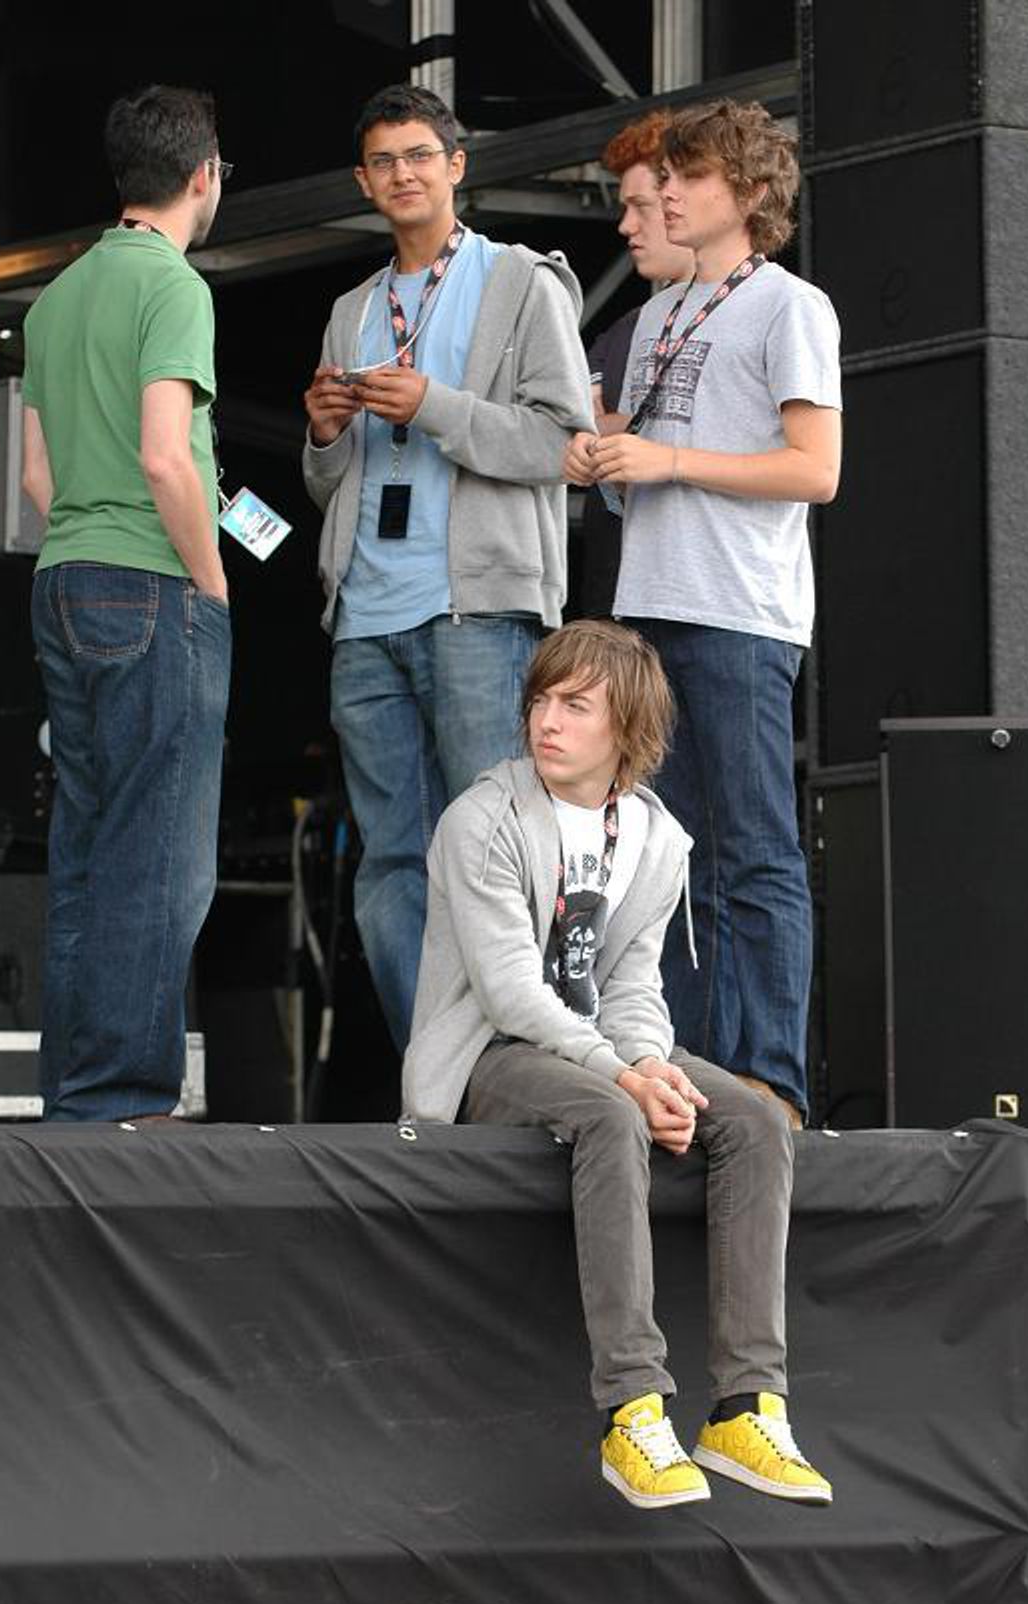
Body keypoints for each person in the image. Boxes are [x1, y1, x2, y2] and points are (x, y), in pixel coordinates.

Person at [403, 620, 831, 1511]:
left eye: (574, 704)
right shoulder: (480, 820)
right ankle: (634, 1410)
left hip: (600, 1046)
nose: (545, 720)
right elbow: (513, 991)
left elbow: (633, 985)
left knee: (753, 1117)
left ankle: (748, 1407)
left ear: (626, 727)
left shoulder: (655, 837)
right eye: (541, 700)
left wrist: (649, 1062)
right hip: (493, 1052)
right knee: (609, 1116)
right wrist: (625, 1079)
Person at [565, 100, 843, 1129]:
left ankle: (769, 1078)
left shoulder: (790, 307)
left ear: (753, 195)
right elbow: (641, 474)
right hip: (650, 606)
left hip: (738, 610)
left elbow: (816, 470)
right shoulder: (664, 317)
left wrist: (666, 459)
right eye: (665, 177)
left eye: (689, 177)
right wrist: (604, 462)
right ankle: (684, 1071)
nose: (667, 193)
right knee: (661, 859)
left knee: (753, 851)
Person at [303, 83, 593, 1054]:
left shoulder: (521, 280)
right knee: (391, 863)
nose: (403, 175)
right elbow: (325, 483)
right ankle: (439, 1069)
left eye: (420, 155)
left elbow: (562, 443)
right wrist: (323, 432)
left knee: (498, 852)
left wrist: (434, 405)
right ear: (363, 181)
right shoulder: (353, 307)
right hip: (365, 618)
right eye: (384, 162)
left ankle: (521, 1062)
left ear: (458, 165)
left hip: (480, 611)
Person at [21, 85, 231, 1120]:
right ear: (205, 175)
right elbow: (166, 456)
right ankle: (124, 1101)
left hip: (62, 576)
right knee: (160, 857)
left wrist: (89, 537)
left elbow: (34, 481)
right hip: (152, 581)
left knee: (88, 850)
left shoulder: (55, 298)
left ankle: (72, 1097)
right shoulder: (174, 287)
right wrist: (211, 579)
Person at [577, 109, 694, 618]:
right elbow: (571, 425)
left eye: (640, 206)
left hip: (709, 602)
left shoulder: (769, 309)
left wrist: (632, 436)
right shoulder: (625, 330)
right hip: (618, 602)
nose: (626, 226)